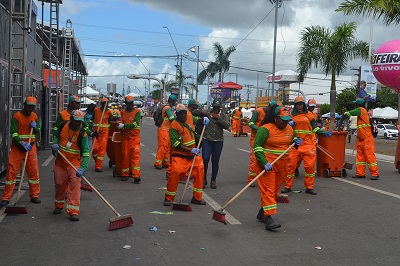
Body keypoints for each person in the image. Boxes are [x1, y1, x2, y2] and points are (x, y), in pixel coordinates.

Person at [253, 105, 302, 231]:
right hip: (268, 164)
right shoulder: (265, 129)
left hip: (282, 164)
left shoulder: (290, 129)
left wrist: (296, 142)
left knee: (274, 191)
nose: (285, 122)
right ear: (275, 118)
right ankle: (269, 219)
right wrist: (264, 162)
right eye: (283, 120)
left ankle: (262, 212)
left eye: (287, 120)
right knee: (268, 190)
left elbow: (291, 141)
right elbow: (257, 147)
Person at [282, 96, 331, 195]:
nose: (299, 106)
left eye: (301, 104)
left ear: (303, 105)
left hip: (308, 144)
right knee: (290, 166)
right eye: (297, 104)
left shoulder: (310, 116)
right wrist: (288, 125)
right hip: (295, 144)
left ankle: (309, 187)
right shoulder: (291, 115)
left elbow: (314, 128)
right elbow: (285, 129)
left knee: (309, 167)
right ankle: (287, 186)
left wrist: (323, 132)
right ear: (295, 106)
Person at [0, 97, 41, 207]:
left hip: (30, 147)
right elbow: (13, 133)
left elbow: (38, 130)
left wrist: (36, 127)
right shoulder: (16, 117)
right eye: (28, 106)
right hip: (18, 147)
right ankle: (6, 198)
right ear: (24, 104)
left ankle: (34, 195)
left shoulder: (34, 116)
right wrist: (21, 142)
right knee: (11, 172)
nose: (30, 108)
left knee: (33, 172)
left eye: (32, 107)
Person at [163, 104, 207, 206]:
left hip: (192, 156)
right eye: (181, 114)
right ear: (177, 114)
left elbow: (197, 119)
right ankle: (169, 198)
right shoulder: (174, 125)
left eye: (184, 113)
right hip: (180, 156)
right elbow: (175, 144)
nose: (183, 115)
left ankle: (197, 198)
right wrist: (190, 150)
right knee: (175, 172)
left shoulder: (188, 120)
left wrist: (203, 119)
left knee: (200, 170)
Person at [51, 109, 90, 221]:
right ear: (71, 119)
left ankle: (73, 211)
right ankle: (58, 205)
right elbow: (56, 135)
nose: (78, 124)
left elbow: (86, 152)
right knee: (59, 183)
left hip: (74, 163)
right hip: (60, 161)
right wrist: (54, 143)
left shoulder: (82, 133)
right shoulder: (63, 125)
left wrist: (83, 168)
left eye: (80, 122)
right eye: (76, 121)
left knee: (75, 184)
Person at [343, 98, 379, 180]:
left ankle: (375, 173)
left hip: (367, 138)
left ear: (358, 105)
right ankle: (360, 173)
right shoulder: (361, 114)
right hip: (361, 138)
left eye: (355, 104)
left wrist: (346, 113)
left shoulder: (361, 110)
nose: (354, 106)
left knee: (369, 156)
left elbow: (351, 113)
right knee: (360, 157)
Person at [202, 99, 230, 189]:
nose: (216, 109)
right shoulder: (207, 114)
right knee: (205, 159)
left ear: (220, 108)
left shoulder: (223, 116)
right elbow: (195, 112)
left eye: (217, 107)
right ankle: (203, 179)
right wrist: (204, 114)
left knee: (215, 160)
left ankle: (213, 180)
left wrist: (217, 117)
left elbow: (226, 125)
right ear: (212, 107)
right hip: (207, 139)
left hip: (218, 141)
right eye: (215, 107)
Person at [247, 100, 276, 186]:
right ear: (268, 107)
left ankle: (263, 178)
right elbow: (251, 123)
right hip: (255, 138)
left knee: (265, 158)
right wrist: (258, 129)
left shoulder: (272, 114)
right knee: (254, 159)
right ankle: (251, 180)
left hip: (265, 138)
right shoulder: (258, 111)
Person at [118, 95, 142, 182]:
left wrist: (124, 126)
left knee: (135, 157)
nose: (130, 105)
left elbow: (135, 124)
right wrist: (120, 126)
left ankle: (136, 175)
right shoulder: (123, 112)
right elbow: (120, 123)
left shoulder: (137, 111)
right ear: (126, 103)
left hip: (135, 138)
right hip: (125, 139)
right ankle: (125, 174)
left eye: (131, 103)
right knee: (125, 156)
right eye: (129, 103)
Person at [294, 99, 318, 177]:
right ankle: (296, 168)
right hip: (297, 141)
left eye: (313, 107)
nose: (312, 108)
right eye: (311, 107)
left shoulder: (313, 115)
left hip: (310, 139)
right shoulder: (294, 115)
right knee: (297, 158)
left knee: (310, 162)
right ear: (307, 106)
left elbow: (315, 126)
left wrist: (320, 133)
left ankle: (309, 185)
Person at [154, 95, 177, 169]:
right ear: (173, 102)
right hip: (163, 130)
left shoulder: (167, 107)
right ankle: (158, 162)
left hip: (166, 129)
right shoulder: (167, 108)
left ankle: (166, 162)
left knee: (167, 147)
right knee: (163, 146)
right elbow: (171, 118)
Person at [92, 97, 113, 172]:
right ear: (102, 103)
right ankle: (97, 161)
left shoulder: (109, 112)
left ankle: (98, 166)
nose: (105, 105)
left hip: (104, 133)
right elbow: (92, 119)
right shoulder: (96, 110)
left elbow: (110, 122)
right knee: (94, 149)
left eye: (106, 103)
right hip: (96, 133)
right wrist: (91, 128)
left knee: (101, 150)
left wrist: (107, 128)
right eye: (104, 103)